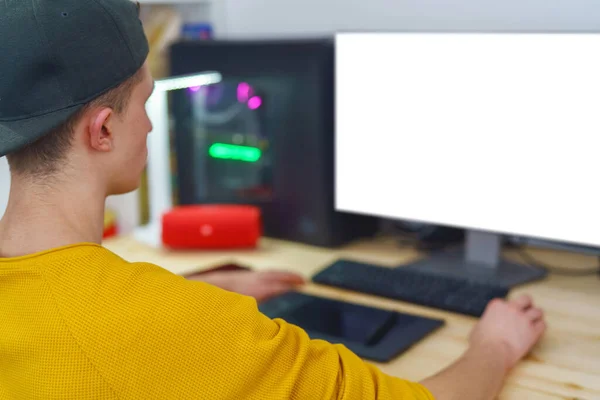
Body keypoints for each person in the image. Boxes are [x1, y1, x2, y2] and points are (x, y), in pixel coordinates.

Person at [0, 1, 546, 399]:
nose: (148, 124)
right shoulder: (184, 329)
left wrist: (189, 296)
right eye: (144, 102)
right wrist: (494, 346)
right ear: (101, 131)